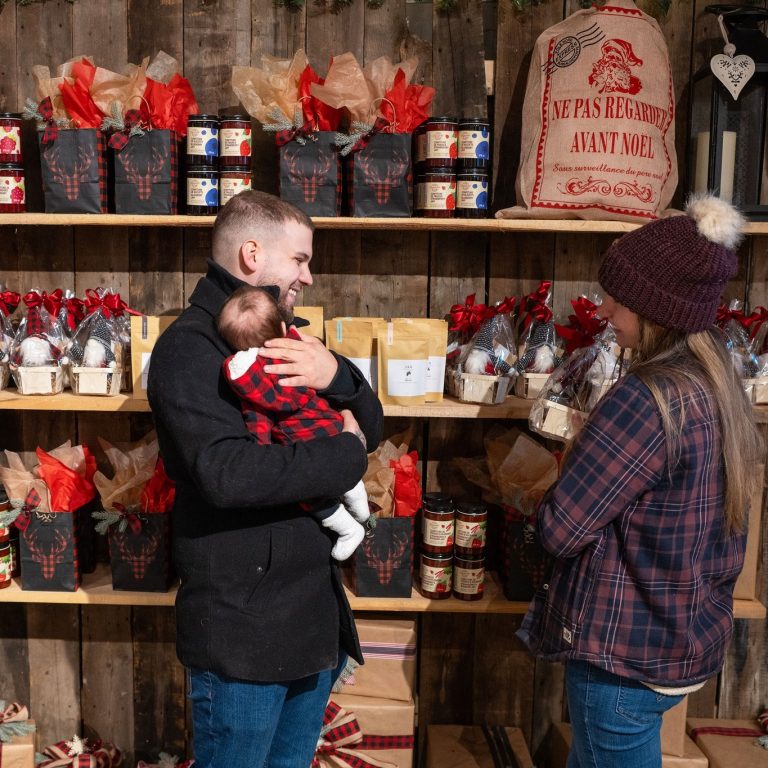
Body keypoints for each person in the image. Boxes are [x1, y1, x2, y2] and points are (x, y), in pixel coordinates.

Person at [517, 194, 764, 768]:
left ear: (655, 307)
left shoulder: (647, 399)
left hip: (623, 658)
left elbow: (560, 530)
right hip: (678, 641)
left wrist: (570, 461)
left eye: (617, 298)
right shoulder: (717, 382)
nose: (604, 310)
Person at [147, 190, 384, 768]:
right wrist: (347, 453)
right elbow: (228, 474)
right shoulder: (190, 349)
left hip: (308, 619)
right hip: (243, 634)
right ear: (252, 254)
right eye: (300, 259)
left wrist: (339, 376)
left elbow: (372, 425)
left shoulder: (289, 336)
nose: (309, 273)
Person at [217, 284, 370, 560]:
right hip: (330, 426)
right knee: (343, 459)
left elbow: (258, 421)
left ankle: (348, 529)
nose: (307, 278)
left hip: (304, 446)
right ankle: (358, 496)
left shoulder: (255, 385)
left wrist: (260, 446)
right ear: (284, 331)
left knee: (313, 497)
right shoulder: (304, 350)